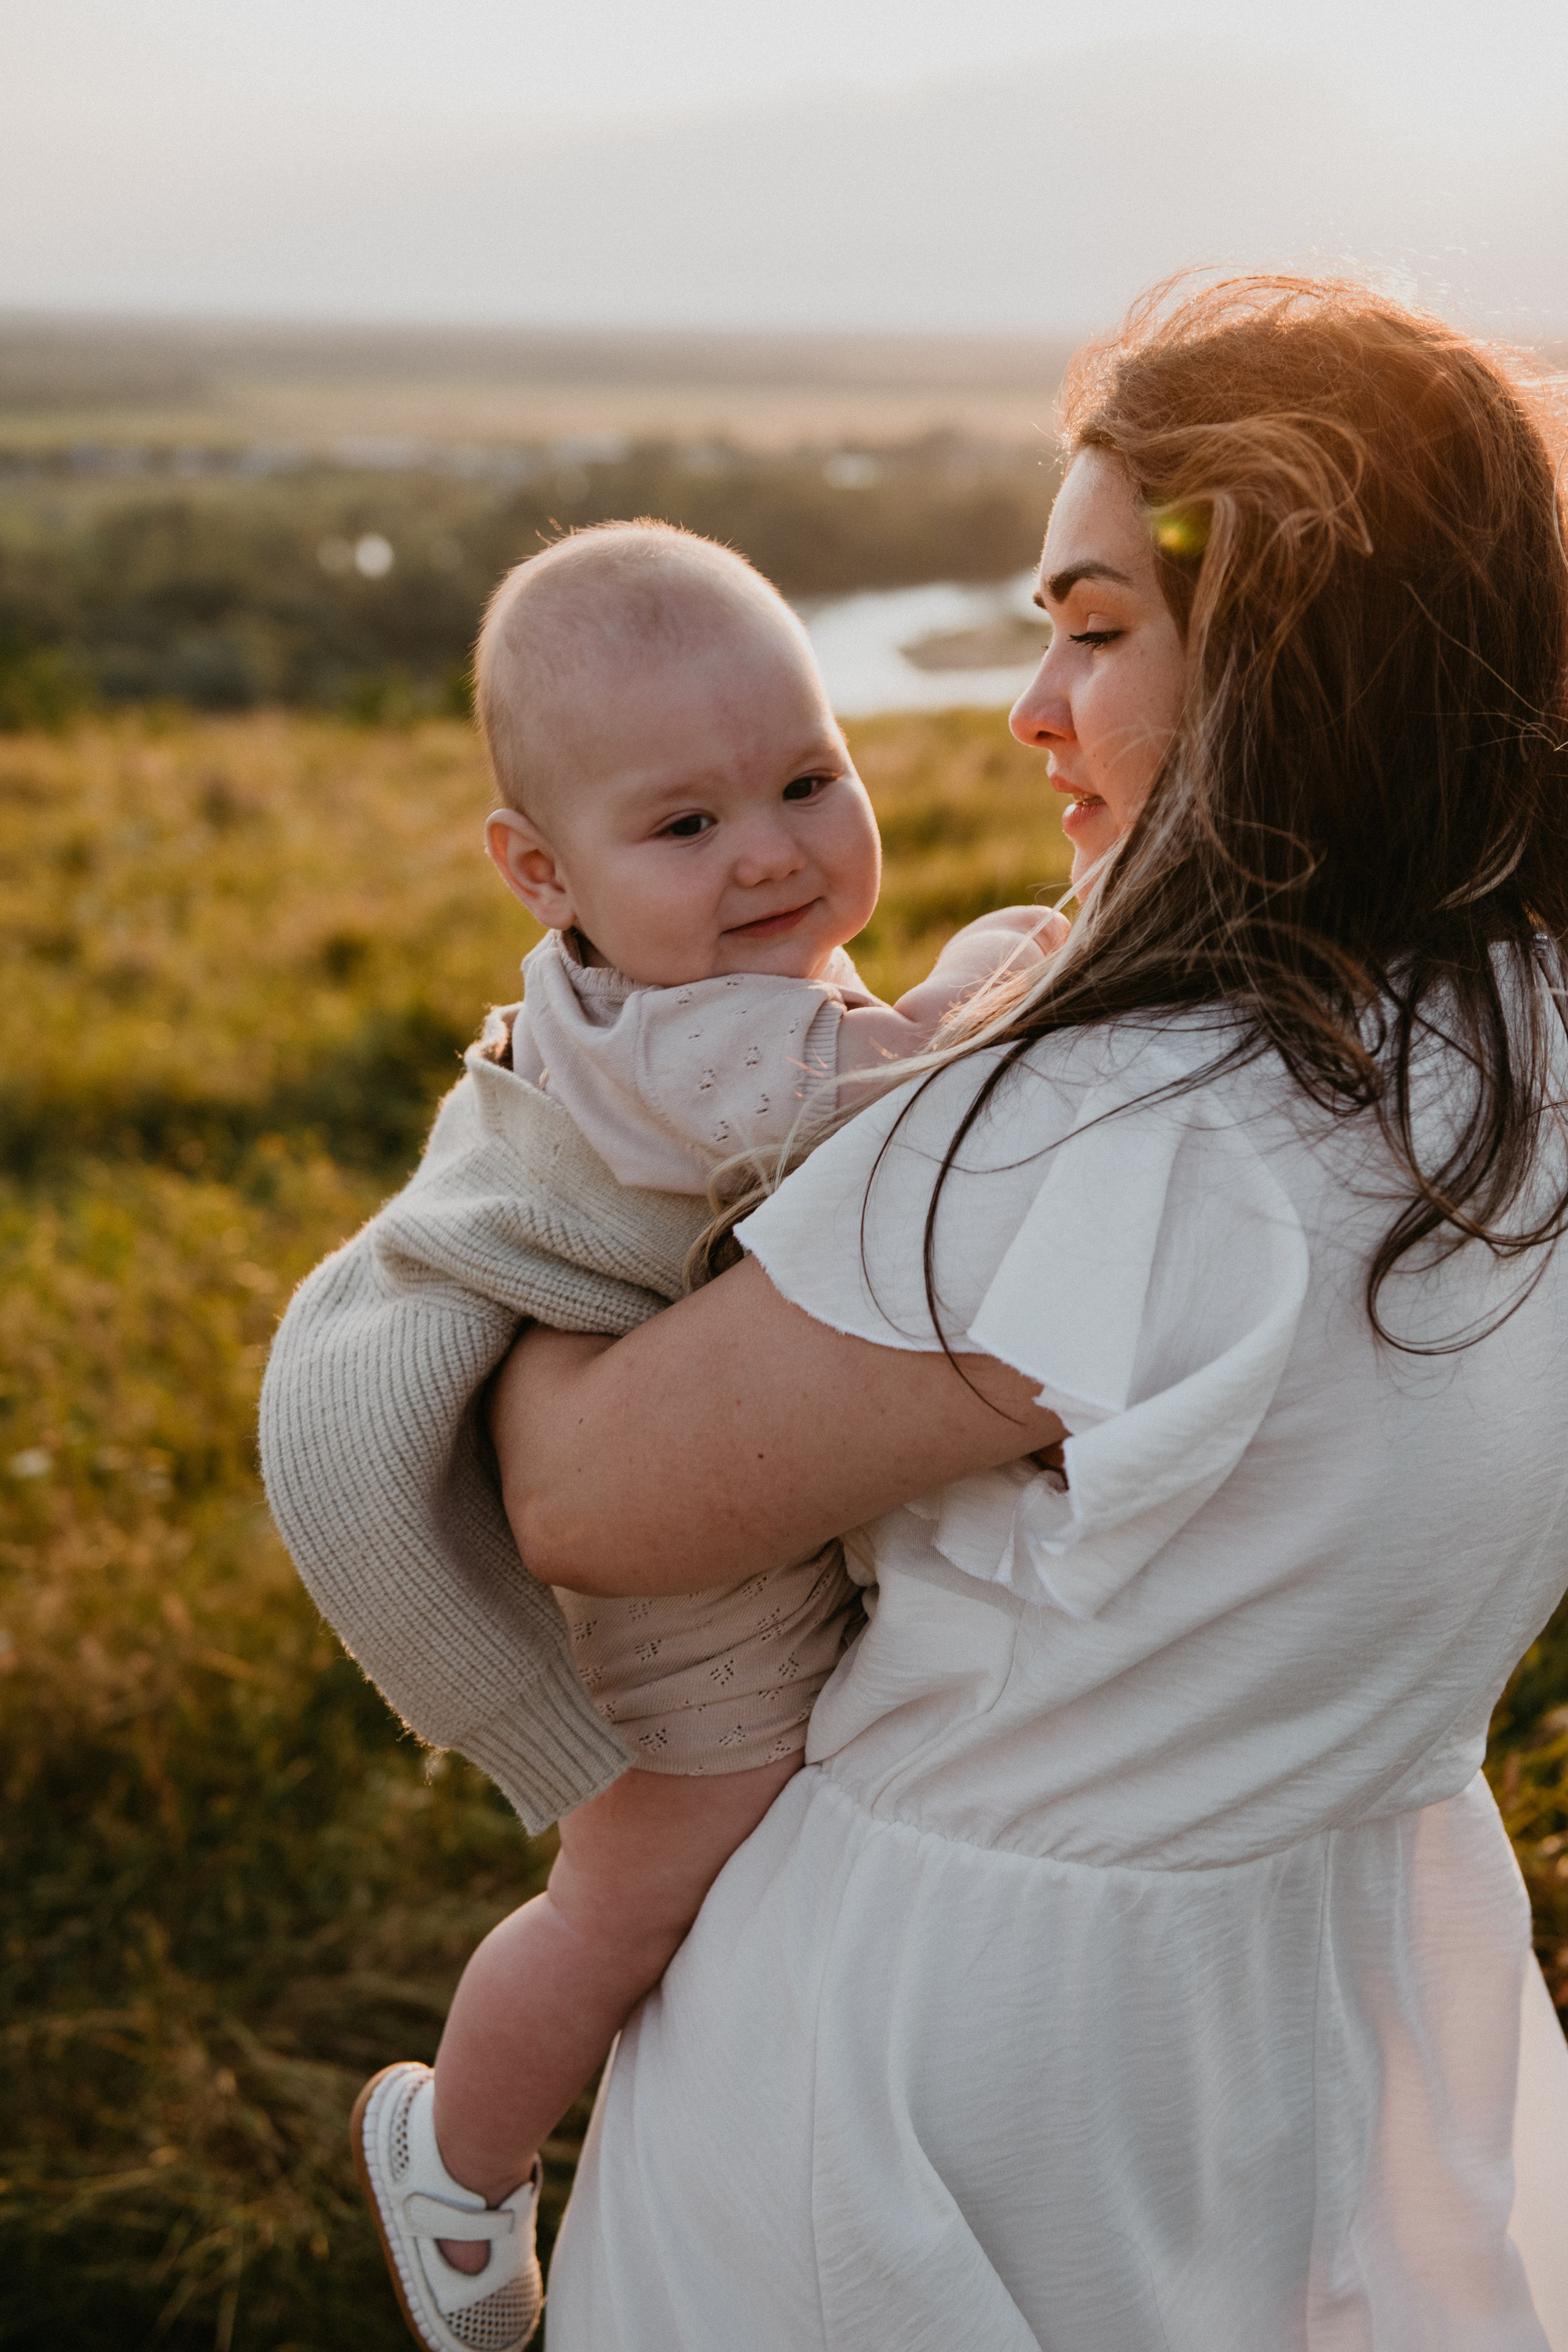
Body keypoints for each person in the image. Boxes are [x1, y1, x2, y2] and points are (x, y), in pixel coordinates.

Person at [484, 279, 1568, 2348]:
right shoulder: (1527, 1033)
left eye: (1095, 625)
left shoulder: (1123, 1130)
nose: (1029, 710)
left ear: (1285, 660)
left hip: (950, 2087)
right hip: (1358, 1999)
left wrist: (522, 1209)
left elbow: (589, 1499)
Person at [261, 522, 1061, 2352]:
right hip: (676, 1565)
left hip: (716, 1459)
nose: (773, 848)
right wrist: (1024, 962)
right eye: (686, 826)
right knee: (632, 1894)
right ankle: (456, 2159)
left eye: (806, 778)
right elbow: (919, 1108)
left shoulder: (715, 990)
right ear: (542, 876)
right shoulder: (709, 1047)